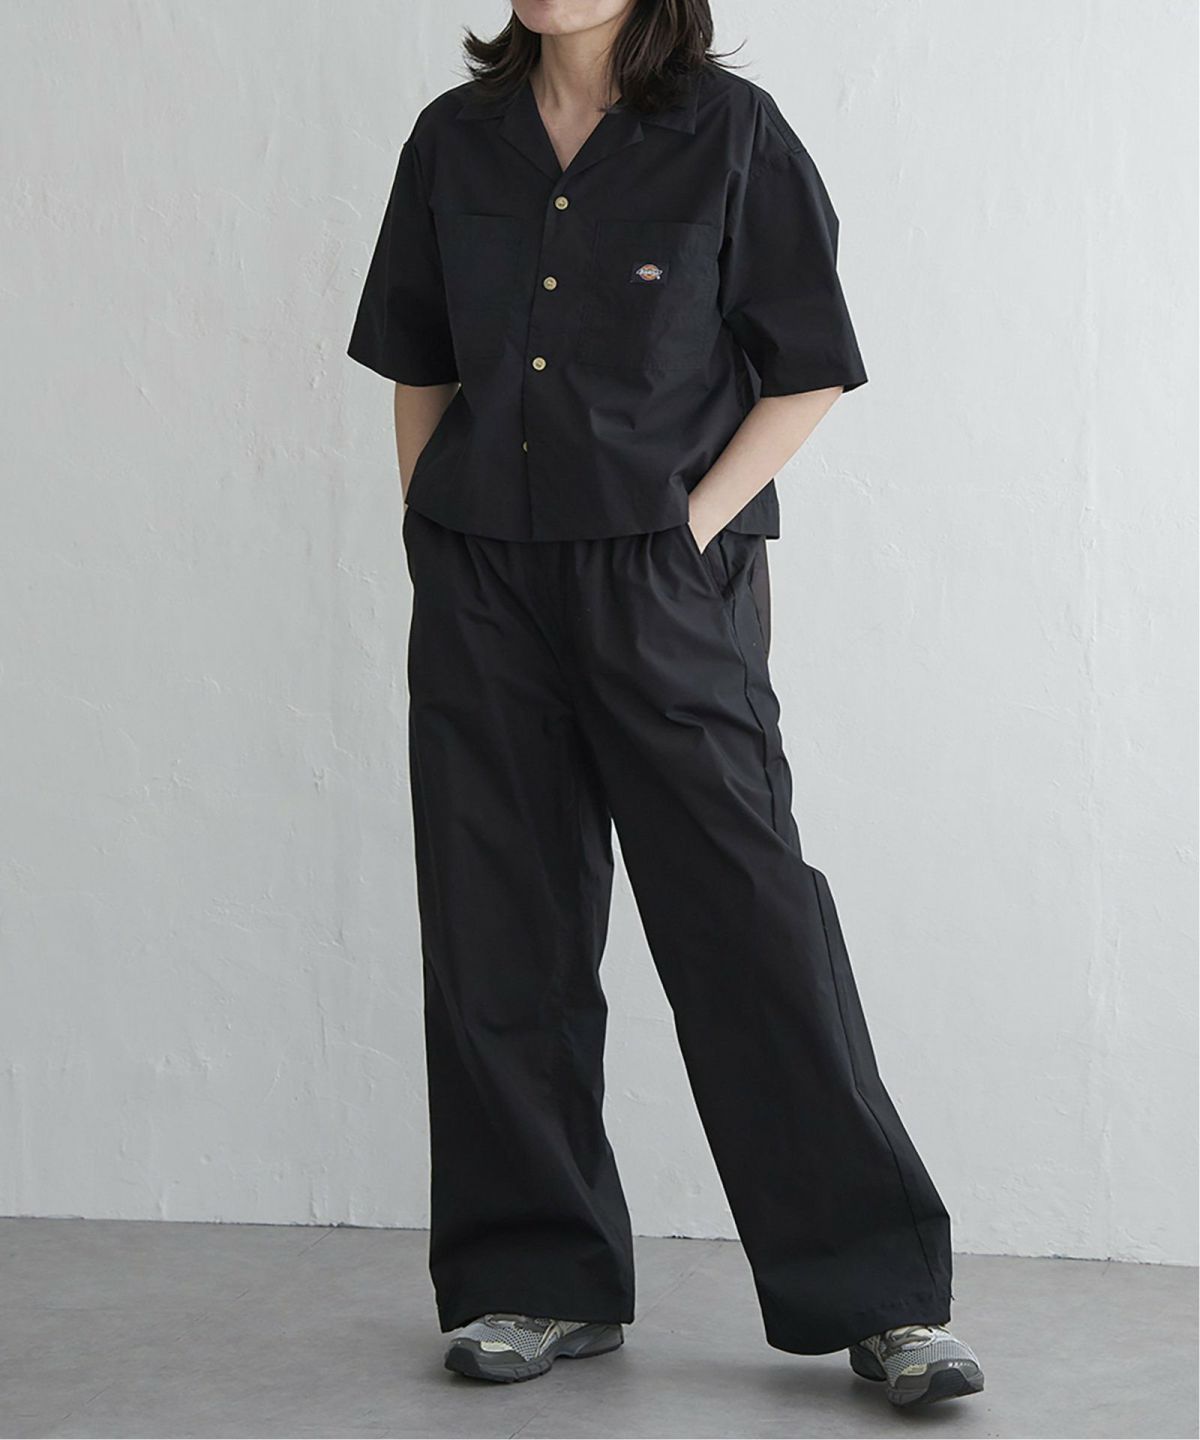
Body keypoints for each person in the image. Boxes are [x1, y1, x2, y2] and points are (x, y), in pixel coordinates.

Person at [346, 0, 984, 1410]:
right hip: (484, 579)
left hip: (661, 581)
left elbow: (808, 367)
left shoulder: (731, 135)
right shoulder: (454, 140)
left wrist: (690, 531)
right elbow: (420, 358)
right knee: (498, 926)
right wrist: (428, 527)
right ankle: (536, 1277)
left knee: (748, 919)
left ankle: (880, 1297)